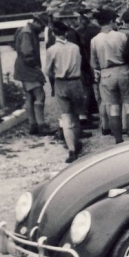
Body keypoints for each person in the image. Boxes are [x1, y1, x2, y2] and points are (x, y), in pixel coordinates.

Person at [90, 10, 129, 144]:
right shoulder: (120, 36)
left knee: (113, 107)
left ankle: (118, 140)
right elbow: (128, 53)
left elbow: (94, 63)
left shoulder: (95, 40)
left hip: (106, 73)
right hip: (124, 70)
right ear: (111, 21)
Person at [44, 21, 85, 163]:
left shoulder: (51, 50)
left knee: (66, 117)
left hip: (61, 83)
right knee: (76, 115)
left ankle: (71, 149)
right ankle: (77, 141)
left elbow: (47, 71)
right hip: (76, 81)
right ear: (66, 32)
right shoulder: (75, 47)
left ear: (54, 34)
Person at [14, 14, 52, 136]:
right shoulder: (27, 33)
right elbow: (27, 53)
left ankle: (33, 125)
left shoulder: (26, 31)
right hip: (29, 69)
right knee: (39, 95)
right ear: (36, 22)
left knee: (30, 97)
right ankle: (41, 125)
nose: (42, 29)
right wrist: (35, 66)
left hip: (23, 69)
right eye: (42, 26)